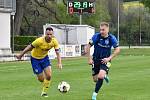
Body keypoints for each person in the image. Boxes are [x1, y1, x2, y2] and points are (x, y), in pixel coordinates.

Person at [16, 27, 62, 97]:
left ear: (52, 35)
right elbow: (29, 47)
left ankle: (44, 92)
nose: (49, 36)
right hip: (35, 59)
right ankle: (45, 83)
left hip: (45, 58)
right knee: (41, 79)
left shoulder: (54, 41)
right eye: (48, 34)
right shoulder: (39, 41)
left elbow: (58, 53)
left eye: (50, 34)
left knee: (49, 76)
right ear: (45, 34)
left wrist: (59, 63)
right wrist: (21, 55)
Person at [85, 22, 120, 100]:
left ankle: (94, 95)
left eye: (103, 30)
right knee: (95, 79)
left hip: (105, 60)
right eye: (100, 30)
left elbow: (117, 49)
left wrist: (109, 58)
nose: (101, 31)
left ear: (108, 29)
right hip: (95, 60)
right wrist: (89, 58)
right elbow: (87, 47)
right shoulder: (96, 37)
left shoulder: (112, 38)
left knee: (100, 76)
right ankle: (104, 76)